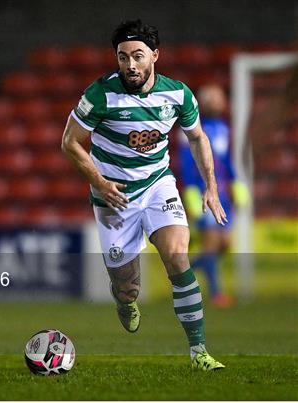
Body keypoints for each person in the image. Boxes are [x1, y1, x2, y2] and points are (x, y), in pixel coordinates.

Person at [61, 19, 226, 370]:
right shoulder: (99, 94)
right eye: (123, 57)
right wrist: (101, 183)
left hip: (157, 185)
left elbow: (197, 137)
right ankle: (124, 300)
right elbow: (70, 142)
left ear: (155, 55)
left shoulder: (178, 94)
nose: (130, 65)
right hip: (113, 196)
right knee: (127, 287)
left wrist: (211, 186)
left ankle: (199, 352)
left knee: (177, 256)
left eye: (137, 56)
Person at [178, 84, 250, 308]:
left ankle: (183, 271)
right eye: (213, 98)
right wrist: (190, 190)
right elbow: (187, 162)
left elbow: (226, 159)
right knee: (210, 242)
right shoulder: (190, 129)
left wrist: (236, 182)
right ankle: (216, 293)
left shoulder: (222, 128)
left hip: (223, 194)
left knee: (225, 243)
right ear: (204, 102)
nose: (219, 102)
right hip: (201, 192)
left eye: (220, 98)